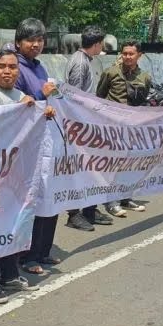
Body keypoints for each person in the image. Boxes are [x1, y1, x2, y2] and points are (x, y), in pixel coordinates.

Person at [0, 48, 53, 302]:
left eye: (12, 67)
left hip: (17, 171)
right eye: (2, 66)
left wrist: (42, 113)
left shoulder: (20, 95)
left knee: (14, 223)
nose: (7, 71)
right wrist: (23, 108)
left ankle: (10, 275)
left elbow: (28, 125)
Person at [12, 18, 60, 276]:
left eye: (40, 40)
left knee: (47, 194)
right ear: (18, 42)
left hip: (45, 139)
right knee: (31, 197)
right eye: (30, 40)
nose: (36, 44)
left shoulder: (39, 67)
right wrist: (43, 96)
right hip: (27, 144)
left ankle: (42, 250)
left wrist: (52, 94)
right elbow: (19, 105)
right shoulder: (15, 68)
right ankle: (26, 255)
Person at [63, 26, 113, 231]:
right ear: (97, 44)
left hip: (86, 122)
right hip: (78, 125)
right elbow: (73, 96)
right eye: (101, 44)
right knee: (78, 170)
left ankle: (90, 209)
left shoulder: (86, 60)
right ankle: (74, 214)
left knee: (91, 169)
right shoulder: (80, 63)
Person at [96, 40, 152, 217]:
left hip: (133, 128)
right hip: (113, 128)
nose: (127, 57)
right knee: (113, 164)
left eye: (131, 54)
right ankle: (111, 201)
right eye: (125, 53)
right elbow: (99, 97)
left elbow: (143, 101)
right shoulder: (111, 72)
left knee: (131, 164)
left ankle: (126, 197)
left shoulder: (144, 77)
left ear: (139, 55)